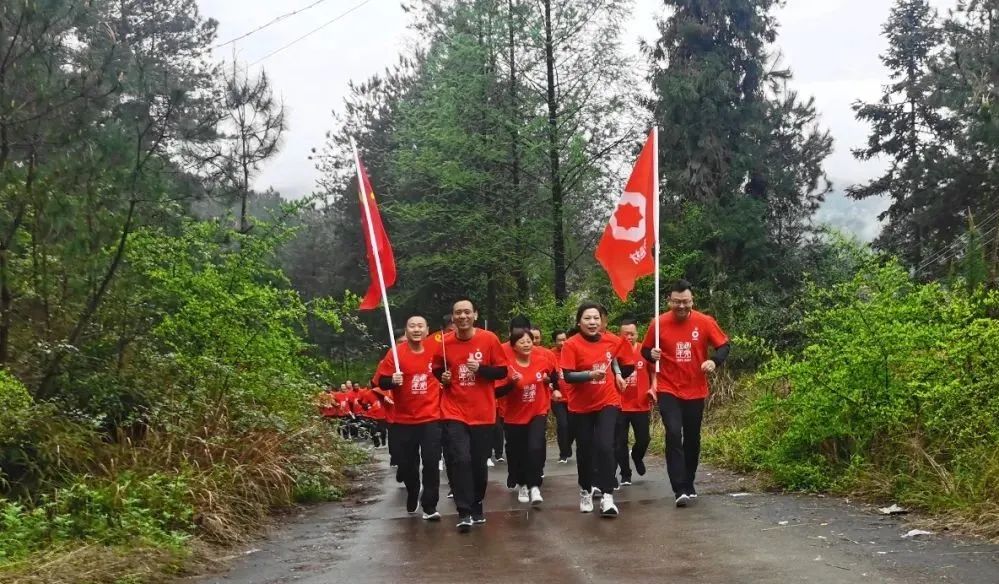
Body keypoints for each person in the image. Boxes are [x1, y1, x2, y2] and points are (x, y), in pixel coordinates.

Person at [643, 279, 730, 507]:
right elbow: (645, 350)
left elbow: (724, 345)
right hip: (668, 387)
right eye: (676, 302)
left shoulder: (704, 321)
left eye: (685, 301)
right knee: (673, 433)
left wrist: (714, 361)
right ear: (669, 301)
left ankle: (689, 480)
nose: (681, 306)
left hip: (695, 388)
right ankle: (679, 488)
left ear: (692, 300)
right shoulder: (658, 323)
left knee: (692, 437)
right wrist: (651, 354)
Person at [433, 298, 508, 532]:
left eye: (467, 312)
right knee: (460, 459)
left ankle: (477, 503)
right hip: (453, 410)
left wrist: (482, 369)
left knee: (477, 463)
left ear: (475, 315)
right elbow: (437, 368)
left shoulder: (489, 339)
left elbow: (502, 371)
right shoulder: (444, 343)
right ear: (453, 317)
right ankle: (463, 511)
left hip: (483, 412)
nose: (462, 316)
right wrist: (443, 377)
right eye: (458, 313)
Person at [560, 302, 635, 517]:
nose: (592, 322)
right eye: (587, 318)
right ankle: (585, 490)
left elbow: (620, 361)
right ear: (579, 322)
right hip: (581, 405)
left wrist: (619, 375)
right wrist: (590, 375)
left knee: (605, 446)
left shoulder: (612, 340)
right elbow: (568, 375)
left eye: (596, 318)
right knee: (585, 450)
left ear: (602, 322)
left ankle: (607, 496)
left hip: (607, 400)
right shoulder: (571, 344)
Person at [375, 314, 444, 520]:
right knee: (407, 465)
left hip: (431, 417)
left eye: (420, 326)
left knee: (431, 462)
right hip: (403, 420)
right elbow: (379, 381)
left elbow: (446, 370)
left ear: (427, 330)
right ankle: (413, 489)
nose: (416, 329)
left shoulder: (435, 351)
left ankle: (430, 505)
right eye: (412, 326)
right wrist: (392, 380)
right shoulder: (396, 353)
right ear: (406, 331)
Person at [498, 326, 557, 507]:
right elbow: (497, 391)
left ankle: (535, 486)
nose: (526, 344)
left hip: (537, 411)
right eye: (521, 342)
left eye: (529, 341)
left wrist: (553, 385)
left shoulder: (542, 360)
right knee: (518, 451)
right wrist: (511, 383)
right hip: (514, 416)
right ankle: (522, 484)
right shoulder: (508, 366)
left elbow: (555, 376)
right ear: (513, 346)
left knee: (535, 447)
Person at [615, 319, 653, 486]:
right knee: (620, 442)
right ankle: (625, 473)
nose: (629, 337)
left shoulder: (644, 352)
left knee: (644, 439)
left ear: (637, 334)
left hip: (640, 403)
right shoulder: (615, 353)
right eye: (625, 334)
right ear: (619, 335)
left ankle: (637, 456)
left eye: (632, 334)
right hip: (620, 404)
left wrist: (653, 388)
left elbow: (654, 372)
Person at [549, 330, 573, 463]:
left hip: (573, 397)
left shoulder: (572, 351)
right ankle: (563, 453)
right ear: (554, 342)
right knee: (563, 424)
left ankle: (567, 447)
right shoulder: (550, 354)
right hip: (557, 398)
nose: (563, 343)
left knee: (572, 426)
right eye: (560, 340)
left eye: (565, 339)